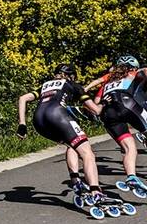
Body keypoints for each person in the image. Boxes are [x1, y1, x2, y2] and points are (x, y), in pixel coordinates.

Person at [17, 63, 116, 210]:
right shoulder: (72, 84)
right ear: (69, 75)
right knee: (87, 153)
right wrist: (103, 102)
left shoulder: (45, 85)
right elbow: (95, 110)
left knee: (72, 144)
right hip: (57, 114)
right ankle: (96, 192)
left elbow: (23, 98)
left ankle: (76, 181)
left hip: (38, 121)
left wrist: (22, 124)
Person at [84, 55, 147, 192]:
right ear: (132, 67)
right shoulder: (133, 73)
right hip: (127, 104)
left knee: (129, 148)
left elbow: (96, 102)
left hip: (107, 113)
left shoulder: (108, 81)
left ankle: (131, 176)